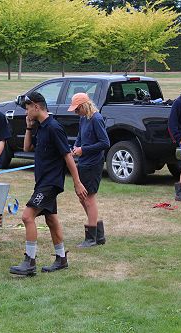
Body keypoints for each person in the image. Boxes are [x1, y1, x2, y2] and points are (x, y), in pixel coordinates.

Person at [9, 92, 87, 276]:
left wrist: (77, 182)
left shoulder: (53, 127)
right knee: (51, 219)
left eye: (28, 107)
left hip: (51, 183)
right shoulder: (41, 126)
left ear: (36, 106)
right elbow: (27, 148)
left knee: (27, 217)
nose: (26, 111)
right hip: (42, 182)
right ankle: (61, 259)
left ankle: (30, 261)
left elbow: (67, 156)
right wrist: (28, 128)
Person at [69, 93, 110, 248]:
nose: (75, 112)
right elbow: (80, 136)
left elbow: (105, 143)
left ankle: (91, 238)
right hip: (84, 162)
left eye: (77, 109)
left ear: (84, 106)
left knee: (89, 198)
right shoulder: (83, 118)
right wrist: (76, 147)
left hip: (94, 163)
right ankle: (98, 234)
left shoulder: (96, 119)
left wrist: (83, 150)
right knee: (82, 197)